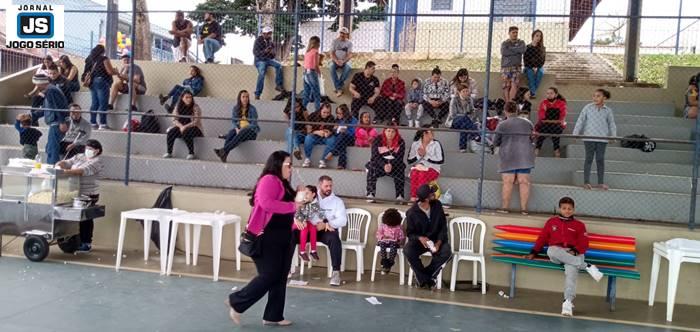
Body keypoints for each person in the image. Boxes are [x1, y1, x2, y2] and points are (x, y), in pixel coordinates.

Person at [228, 151, 300, 327]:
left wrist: (299, 197)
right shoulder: (269, 180)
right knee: (270, 275)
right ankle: (237, 301)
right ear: (277, 165)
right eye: (288, 165)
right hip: (267, 237)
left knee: (280, 276)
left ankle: (273, 315)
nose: (291, 169)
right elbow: (266, 203)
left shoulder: (283, 183)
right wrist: (294, 204)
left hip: (284, 237)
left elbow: (289, 208)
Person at [525, 197, 603, 317]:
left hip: (574, 253)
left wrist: (575, 251)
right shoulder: (551, 222)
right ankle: (586, 266)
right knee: (551, 250)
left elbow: (584, 242)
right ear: (560, 209)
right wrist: (534, 252)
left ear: (573, 210)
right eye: (564, 208)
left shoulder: (579, 225)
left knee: (571, 273)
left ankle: (567, 302)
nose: (567, 211)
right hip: (557, 252)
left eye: (570, 209)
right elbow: (542, 238)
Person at [56, 139, 104, 252]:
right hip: (74, 192)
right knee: (71, 216)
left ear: (97, 151)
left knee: (85, 218)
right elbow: (68, 162)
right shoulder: (79, 156)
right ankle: (71, 240)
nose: (88, 150)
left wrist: (64, 172)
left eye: (91, 149)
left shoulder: (97, 162)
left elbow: (82, 171)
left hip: (89, 194)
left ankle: (86, 242)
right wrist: (59, 164)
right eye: (87, 148)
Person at [404, 184, 451, 289]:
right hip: (421, 242)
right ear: (426, 199)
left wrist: (438, 243)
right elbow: (410, 233)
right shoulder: (412, 213)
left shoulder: (437, 205)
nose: (434, 194)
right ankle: (427, 279)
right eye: (432, 193)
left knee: (447, 252)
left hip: (436, 240)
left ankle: (424, 277)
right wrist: (420, 238)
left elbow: (443, 227)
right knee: (408, 250)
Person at [494, 101, 535, 215]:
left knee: (508, 182)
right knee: (524, 182)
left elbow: (496, 142)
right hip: (524, 155)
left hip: (508, 155)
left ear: (505, 111)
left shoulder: (502, 125)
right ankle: (524, 209)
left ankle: (505, 207)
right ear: (517, 110)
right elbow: (532, 139)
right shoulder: (528, 123)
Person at [573, 89, 617, 191]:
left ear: (604, 98)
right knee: (589, 159)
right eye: (594, 96)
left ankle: (600, 183)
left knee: (600, 159)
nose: (595, 98)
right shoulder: (587, 108)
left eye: (598, 96)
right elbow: (580, 120)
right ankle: (586, 182)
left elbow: (612, 124)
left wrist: (613, 136)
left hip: (602, 139)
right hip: (589, 138)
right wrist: (575, 133)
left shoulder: (608, 110)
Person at [311, 175, 347, 286]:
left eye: (330, 186)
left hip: (326, 231)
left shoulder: (337, 201)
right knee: (291, 235)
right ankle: (286, 269)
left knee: (334, 239)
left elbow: (343, 221)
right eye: (326, 186)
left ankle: (336, 272)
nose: (329, 188)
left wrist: (327, 224)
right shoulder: (311, 196)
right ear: (319, 185)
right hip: (311, 229)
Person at [32, 74, 69, 165]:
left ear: (39, 83)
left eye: (36, 84)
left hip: (56, 123)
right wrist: (32, 116)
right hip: (55, 123)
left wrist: (62, 122)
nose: (36, 86)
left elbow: (57, 107)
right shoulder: (50, 90)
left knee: (53, 149)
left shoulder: (51, 90)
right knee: (50, 148)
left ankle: (52, 170)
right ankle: (52, 167)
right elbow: (46, 108)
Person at [214, 90, 259, 162]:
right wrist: (236, 128)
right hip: (239, 130)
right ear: (240, 98)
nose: (245, 98)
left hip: (251, 132)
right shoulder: (236, 108)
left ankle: (223, 150)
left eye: (247, 97)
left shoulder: (252, 109)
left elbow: (254, 124)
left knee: (241, 132)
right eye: (243, 97)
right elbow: (233, 121)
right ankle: (224, 154)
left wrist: (243, 128)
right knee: (232, 132)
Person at [366, 123, 406, 202]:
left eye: (393, 131)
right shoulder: (377, 140)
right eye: (388, 131)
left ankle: (400, 195)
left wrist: (391, 165)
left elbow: (400, 157)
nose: (390, 134)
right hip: (380, 164)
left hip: (394, 164)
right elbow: (375, 156)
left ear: (396, 132)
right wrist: (384, 165)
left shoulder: (400, 141)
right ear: (384, 131)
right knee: (371, 167)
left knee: (401, 167)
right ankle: (370, 194)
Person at [82, 44, 116, 130]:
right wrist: (115, 71)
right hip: (101, 81)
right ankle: (103, 124)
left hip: (92, 82)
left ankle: (93, 123)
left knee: (94, 103)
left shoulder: (89, 59)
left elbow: (86, 71)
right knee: (103, 103)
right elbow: (110, 72)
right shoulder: (104, 59)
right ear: (103, 51)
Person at [163, 90, 203, 160]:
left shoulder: (195, 107)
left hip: (194, 128)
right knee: (171, 132)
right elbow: (174, 119)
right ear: (182, 98)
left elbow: (196, 121)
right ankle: (169, 152)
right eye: (186, 97)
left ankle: (191, 153)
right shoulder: (178, 106)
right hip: (181, 127)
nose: (189, 99)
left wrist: (185, 127)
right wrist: (181, 126)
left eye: (190, 97)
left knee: (186, 132)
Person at [407, 127, 444, 202]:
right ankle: (413, 197)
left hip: (433, 169)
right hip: (418, 167)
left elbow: (441, 160)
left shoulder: (436, 144)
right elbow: (409, 160)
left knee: (422, 174)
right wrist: (419, 155)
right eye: (431, 131)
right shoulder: (415, 143)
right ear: (424, 133)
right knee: (414, 173)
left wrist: (426, 156)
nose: (433, 133)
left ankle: (421, 197)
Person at [294, 185, 325, 262]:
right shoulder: (302, 202)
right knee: (305, 228)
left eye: (307, 193)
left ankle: (313, 251)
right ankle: (302, 252)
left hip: (306, 221)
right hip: (296, 222)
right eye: (304, 193)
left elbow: (321, 213)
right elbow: (296, 214)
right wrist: (302, 220)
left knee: (313, 228)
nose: (305, 195)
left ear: (313, 194)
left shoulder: (315, 205)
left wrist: (324, 221)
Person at [253, 26, 285, 100]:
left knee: (279, 65)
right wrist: (265, 51)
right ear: (263, 34)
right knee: (262, 73)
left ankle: (278, 85)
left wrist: (271, 53)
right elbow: (255, 52)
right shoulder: (258, 40)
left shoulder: (270, 41)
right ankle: (257, 94)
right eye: (268, 33)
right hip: (260, 60)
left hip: (267, 59)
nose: (269, 35)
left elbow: (273, 55)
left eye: (270, 33)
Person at [535, 87, 567, 158]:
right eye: (547, 93)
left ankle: (557, 153)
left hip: (556, 126)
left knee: (556, 132)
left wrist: (548, 117)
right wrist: (554, 120)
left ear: (556, 94)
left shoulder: (561, 103)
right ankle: (536, 152)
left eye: (551, 93)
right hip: (545, 125)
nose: (549, 95)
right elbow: (541, 117)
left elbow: (562, 118)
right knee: (542, 132)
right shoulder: (544, 102)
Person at [302, 102, 336, 168]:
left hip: (324, 138)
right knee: (308, 138)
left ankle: (323, 160)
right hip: (314, 136)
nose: (326, 114)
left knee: (332, 139)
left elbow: (332, 130)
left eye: (328, 113)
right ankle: (307, 159)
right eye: (324, 112)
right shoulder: (313, 115)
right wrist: (316, 132)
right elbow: (308, 131)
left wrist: (328, 132)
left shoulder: (331, 118)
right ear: (320, 110)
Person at [446, 84, 479, 153]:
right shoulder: (454, 100)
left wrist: (468, 116)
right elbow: (452, 114)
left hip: (465, 122)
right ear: (459, 92)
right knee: (464, 118)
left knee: (464, 126)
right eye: (463, 91)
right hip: (454, 121)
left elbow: (472, 111)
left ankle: (462, 148)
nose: (466, 93)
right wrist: (464, 116)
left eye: (467, 91)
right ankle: (476, 134)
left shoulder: (469, 99)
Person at [323, 104, 357, 170]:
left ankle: (332, 152)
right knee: (342, 144)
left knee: (343, 136)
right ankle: (341, 165)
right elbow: (335, 134)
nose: (338, 115)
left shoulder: (353, 120)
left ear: (345, 113)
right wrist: (335, 129)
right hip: (340, 140)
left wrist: (346, 131)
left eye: (340, 113)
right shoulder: (337, 120)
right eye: (337, 113)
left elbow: (354, 133)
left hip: (350, 139)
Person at [376, 208, 406, 274]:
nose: (391, 227)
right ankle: (384, 260)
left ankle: (391, 261)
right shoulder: (383, 226)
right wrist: (383, 237)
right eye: (389, 225)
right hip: (384, 241)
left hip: (394, 242)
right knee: (382, 245)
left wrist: (399, 240)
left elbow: (402, 236)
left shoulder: (399, 227)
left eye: (393, 226)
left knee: (393, 246)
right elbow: (378, 234)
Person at [501, 26, 526, 102]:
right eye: (513, 32)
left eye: (516, 32)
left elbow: (522, 50)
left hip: (516, 67)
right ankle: (507, 104)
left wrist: (510, 49)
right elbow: (504, 52)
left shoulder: (521, 42)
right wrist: (516, 50)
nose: (515, 34)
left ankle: (511, 103)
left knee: (514, 84)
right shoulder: (505, 43)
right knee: (506, 86)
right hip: (506, 67)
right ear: (509, 33)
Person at [329, 27, 353, 97]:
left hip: (345, 61)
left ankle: (338, 87)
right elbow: (332, 53)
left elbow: (350, 55)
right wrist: (336, 61)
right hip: (335, 60)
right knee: (331, 67)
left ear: (347, 34)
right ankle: (339, 88)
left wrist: (343, 61)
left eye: (344, 33)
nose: (342, 35)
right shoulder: (334, 41)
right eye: (341, 33)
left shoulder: (349, 43)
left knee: (348, 68)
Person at [523, 29, 546, 99]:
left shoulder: (542, 48)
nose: (538, 38)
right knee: (530, 73)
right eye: (537, 36)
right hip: (528, 66)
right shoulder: (527, 47)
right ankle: (533, 93)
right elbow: (525, 60)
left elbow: (542, 60)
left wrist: (536, 67)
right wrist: (532, 67)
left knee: (541, 73)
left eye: (540, 36)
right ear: (533, 36)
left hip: (539, 66)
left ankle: (531, 92)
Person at [302, 36, 322, 111]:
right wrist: (320, 74)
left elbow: (305, 64)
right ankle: (318, 113)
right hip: (312, 73)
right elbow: (316, 65)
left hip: (305, 74)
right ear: (317, 43)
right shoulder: (316, 52)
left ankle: (301, 111)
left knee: (306, 95)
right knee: (317, 95)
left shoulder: (307, 52)